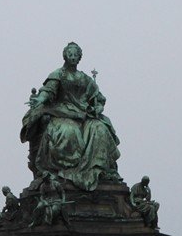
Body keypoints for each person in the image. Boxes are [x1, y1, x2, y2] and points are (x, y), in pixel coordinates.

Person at [20, 42, 121, 191]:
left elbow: (99, 98)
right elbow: (48, 91)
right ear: (65, 56)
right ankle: (64, 173)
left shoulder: (85, 79)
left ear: (79, 58)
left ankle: (97, 169)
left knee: (100, 129)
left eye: (75, 55)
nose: (73, 57)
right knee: (68, 131)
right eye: (70, 54)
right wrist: (40, 99)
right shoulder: (58, 74)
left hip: (84, 115)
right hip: (61, 112)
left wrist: (97, 108)